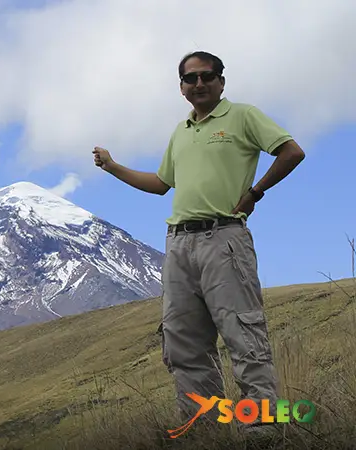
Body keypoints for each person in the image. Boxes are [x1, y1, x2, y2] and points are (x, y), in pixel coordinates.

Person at [92, 51, 306, 437]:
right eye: (191, 79)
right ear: (182, 88)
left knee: (244, 335)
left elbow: (292, 151)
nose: (199, 84)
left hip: (223, 238)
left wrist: (256, 192)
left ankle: (264, 433)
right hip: (178, 245)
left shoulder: (242, 116)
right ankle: (203, 433)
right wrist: (112, 166)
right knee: (185, 346)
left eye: (207, 76)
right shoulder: (181, 131)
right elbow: (161, 184)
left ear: (221, 81)